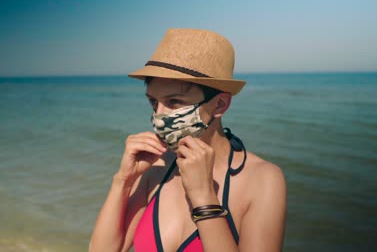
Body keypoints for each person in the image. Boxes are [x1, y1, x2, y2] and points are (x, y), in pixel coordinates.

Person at [89, 28, 286, 252]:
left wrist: (204, 197)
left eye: (174, 102)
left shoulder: (262, 179)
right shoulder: (156, 168)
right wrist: (123, 180)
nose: (159, 116)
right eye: (153, 102)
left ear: (220, 105)